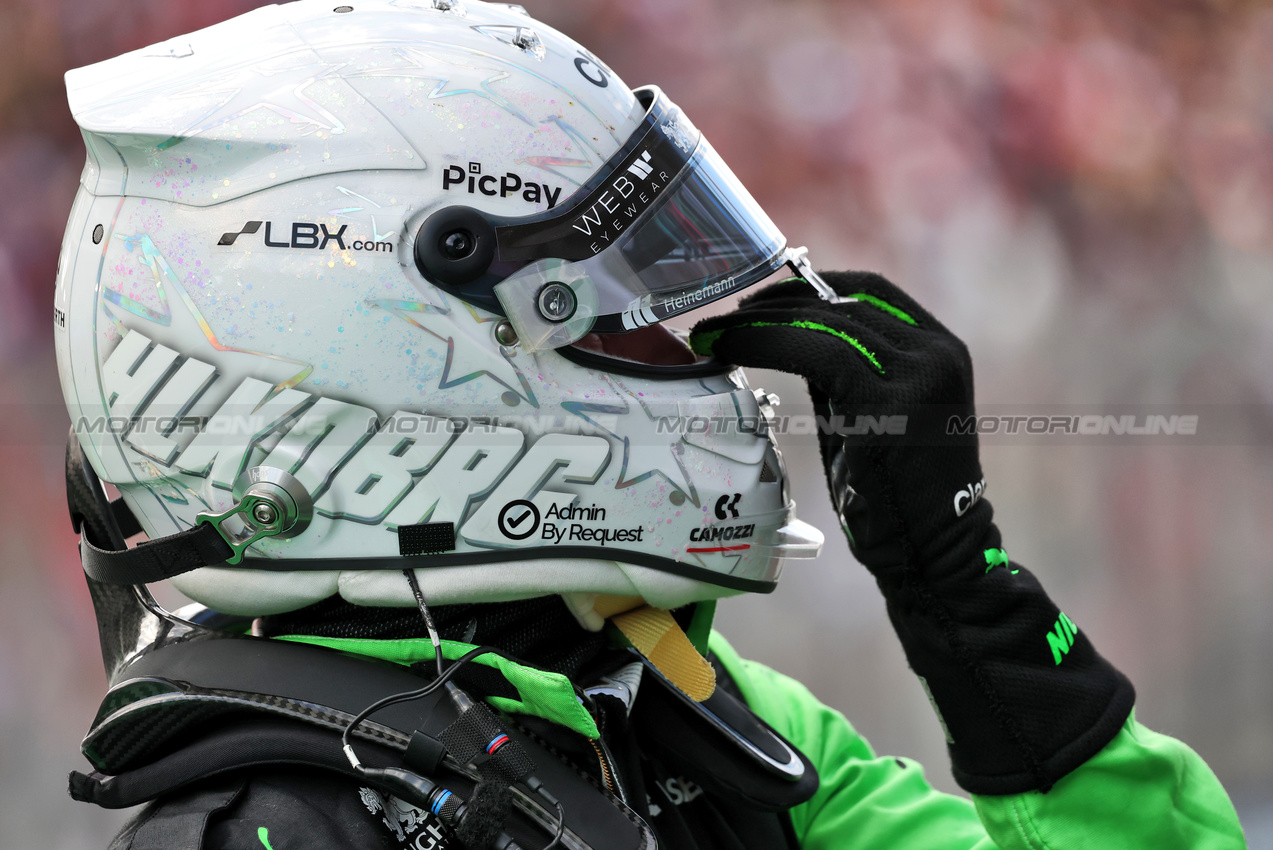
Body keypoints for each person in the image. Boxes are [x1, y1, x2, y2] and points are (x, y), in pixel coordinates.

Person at [55, 1, 1246, 847]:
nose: (688, 355)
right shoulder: (274, 828)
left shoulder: (679, 705)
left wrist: (964, 601)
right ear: (398, 354)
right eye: (615, 315)